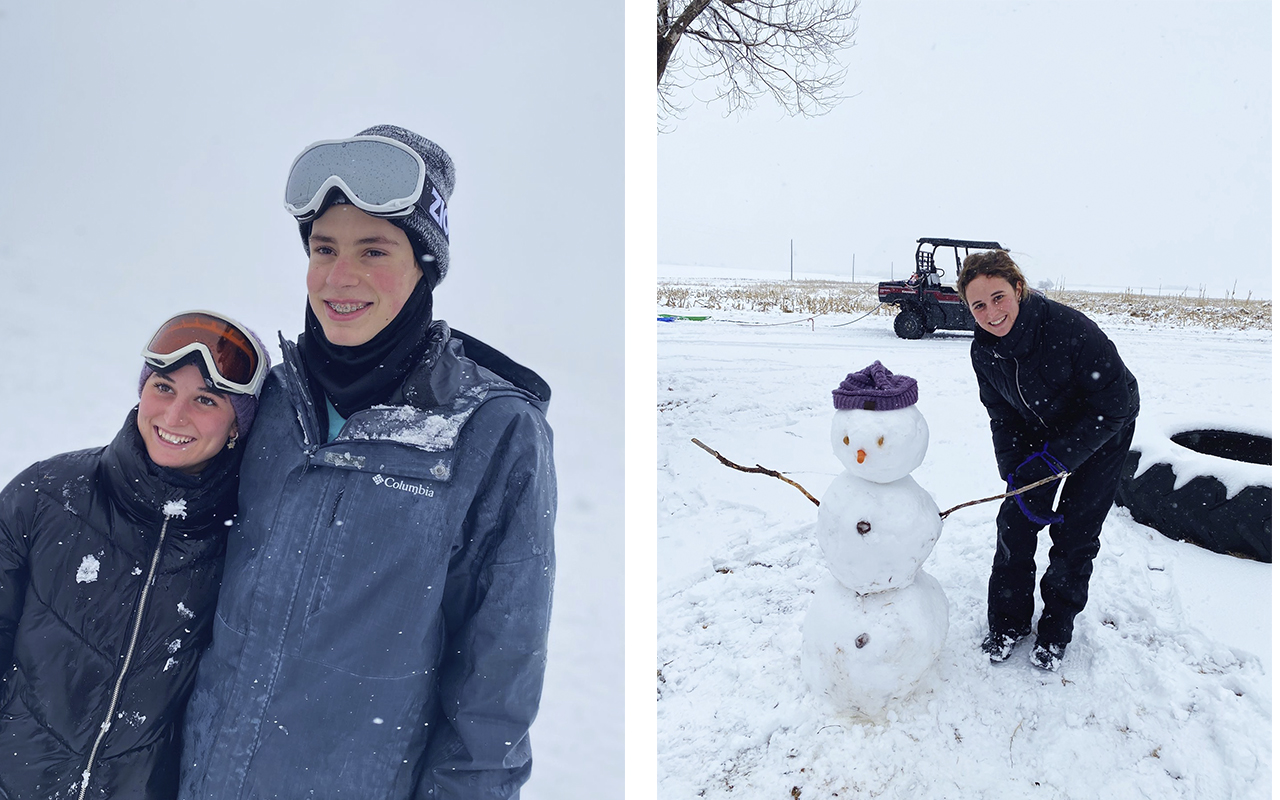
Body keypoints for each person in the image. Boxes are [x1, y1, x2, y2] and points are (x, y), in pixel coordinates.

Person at [179, 125, 556, 799]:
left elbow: (495, 696)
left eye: (373, 249)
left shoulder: (495, 432)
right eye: (323, 248)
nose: (338, 277)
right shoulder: (271, 402)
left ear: (424, 267)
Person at [0, 310, 268, 799]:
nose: (174, 416)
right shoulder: (46, 495)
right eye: (163, 387)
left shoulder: (249, 541)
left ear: (238, 426)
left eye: (205, 400)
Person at [957, 250, 1139, 672]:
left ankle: (1056, 632)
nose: (991, 312)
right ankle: (1008, 623)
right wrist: (1017, 473)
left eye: (999, 297)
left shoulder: (1070, 330)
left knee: (1076, 534)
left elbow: (1115, 405)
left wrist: (1053, 462)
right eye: (978, 305)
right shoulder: (984, 351)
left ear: (1018, 288)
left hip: (1102, 430)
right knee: (1014, 522)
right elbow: (1001, 414)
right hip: (1037, 424)